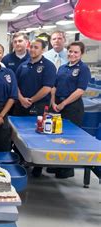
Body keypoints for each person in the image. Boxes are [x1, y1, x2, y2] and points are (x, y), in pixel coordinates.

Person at [50, 41, 91, 178]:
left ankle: (66, 169)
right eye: (70, 51)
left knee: (69, 139)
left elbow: (80, 91)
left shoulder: (83, 69)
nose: (72, 54)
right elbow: (54, 86)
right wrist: (53, 101)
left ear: (81, 54)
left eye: (76, 52)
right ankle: (56, 165)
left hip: (72, 107)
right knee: (57, 136)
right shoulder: (62, 67)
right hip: (58, 105)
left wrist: (63, 104)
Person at [14, 38, 56, 116]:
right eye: (31, 47)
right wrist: (21, 99)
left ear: (43, 50)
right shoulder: (22, 65)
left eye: (36, 47)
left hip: (39, 107)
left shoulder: (49, 66)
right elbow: (15, 84)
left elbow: (47, 88)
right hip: (20, 105)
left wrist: (31, 100)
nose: (32, 49)